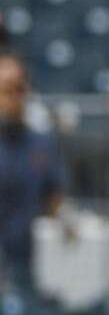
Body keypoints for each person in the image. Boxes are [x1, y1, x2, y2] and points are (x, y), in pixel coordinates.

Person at [0, 52, 67, 286]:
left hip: (25, 261)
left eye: (19, 89)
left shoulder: (42, 142)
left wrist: (67, 221)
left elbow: (54, 195)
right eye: (7, 90)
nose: (14, 97)